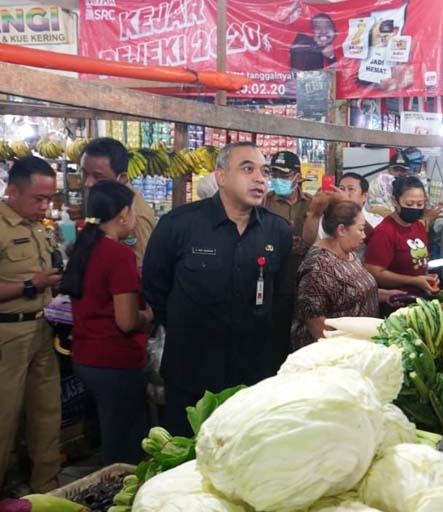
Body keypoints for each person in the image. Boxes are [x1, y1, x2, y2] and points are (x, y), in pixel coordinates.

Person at [142, 143, 292, 436]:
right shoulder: (179, 225)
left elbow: (281, 298)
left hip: (252, 376)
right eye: (247, 169)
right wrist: (189, 325)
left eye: (264, 170)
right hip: (192, 373)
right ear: (221, 176)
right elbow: (155, 287)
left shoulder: (278, 231)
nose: (260, 178)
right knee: (184, 460)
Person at [60, 181, 152, 465]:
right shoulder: (119, 255)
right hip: (116, 361)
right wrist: (150, 314)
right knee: (124, 444)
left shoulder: (83, 248)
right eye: (134, 211)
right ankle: (117, 499)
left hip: (86, 358)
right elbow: (126, 321)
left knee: (111, 431)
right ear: (124, 213)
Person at [0, 157, 61, 493]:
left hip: (41, 329)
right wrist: (30, 285)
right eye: (38, 199)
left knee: (46, 415)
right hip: (7, 334)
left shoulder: (38, 227)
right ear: (12, 191)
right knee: (4, 418)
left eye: (49, 198)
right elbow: (30, 282)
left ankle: (47, 490)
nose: (44, 206)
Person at [292, 197, 383, 349]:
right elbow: (317, 326)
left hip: (360, 347)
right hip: (335, 355)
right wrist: (348, 354)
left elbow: (353, 292)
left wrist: (385, 295)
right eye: (360, 229)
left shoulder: (349, 254)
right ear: (341, 230)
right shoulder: (318, 267)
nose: (364, 236)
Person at [80, 138, 156, 269]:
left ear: (122, 179)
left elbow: (139, 270)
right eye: (84, 173)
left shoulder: (135, 215)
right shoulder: (106, 202)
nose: (88, 183)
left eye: (98, 177)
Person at [264, 151, 312, 354]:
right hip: (274, 280)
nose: (278, 180)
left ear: (298, 177)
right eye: (274, 175)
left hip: (305, 281)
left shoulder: (312, 204)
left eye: (284, 175)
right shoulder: (264, 202)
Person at [365, 176, 439, 299]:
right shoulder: (385, 232)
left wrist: (426, 277)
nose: (415, 208)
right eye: (410, 203)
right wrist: (413, 280)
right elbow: (374, 272)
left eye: (420, 204)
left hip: (420, 297)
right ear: (395, 201)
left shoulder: (418, 226)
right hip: (397, 301)